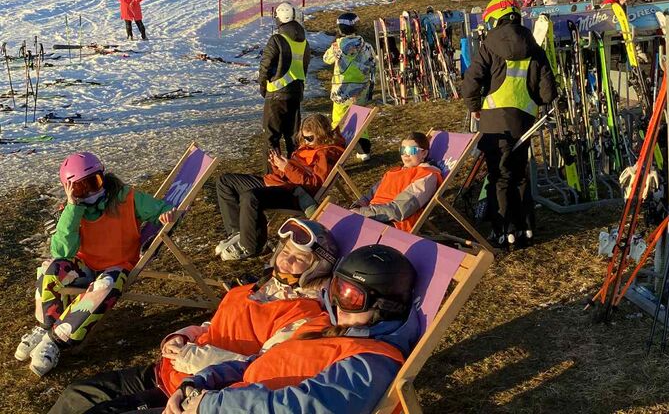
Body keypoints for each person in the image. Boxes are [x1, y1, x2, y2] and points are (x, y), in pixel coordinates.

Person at [48, 219, 339, 414]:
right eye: (286, 250)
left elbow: (261, 369)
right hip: (169, 371)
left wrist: (192, 356)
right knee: (77, 393)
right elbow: (213, 325)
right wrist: (183, 336)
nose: (287, 259)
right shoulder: (257, 288)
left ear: (316, 269)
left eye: (299, 258)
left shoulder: (306, 316)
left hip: (200, 393)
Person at [164, 244, 419, 414]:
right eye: (336, 290)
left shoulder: (372, 362)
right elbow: (261, 362)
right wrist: (199, 381)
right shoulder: (325, 326)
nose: (339, 305)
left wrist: (210, 406)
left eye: (351, 297)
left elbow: (303, 407)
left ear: (385, 307)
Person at [15, 152, 175, 377]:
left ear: (103, 175)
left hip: (117, 267)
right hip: (86, 265)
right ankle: (44, 327)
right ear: (69, 189)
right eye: (81, 188)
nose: (91, 191)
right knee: (49, 267)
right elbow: (62, 252)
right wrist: (72, 207)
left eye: (95, 182)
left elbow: (161, 209)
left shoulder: (126, 198)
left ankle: (55, 340)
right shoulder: (72, 210)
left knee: (105, 286)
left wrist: (165, 216)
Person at [462, 0, 556, 250]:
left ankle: (504, 231)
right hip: (524, 123)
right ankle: (526, 228)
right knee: (520, 175)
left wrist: (474, 107)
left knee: (499, 177)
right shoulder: (534, 47)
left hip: (494, 125)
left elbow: (471, 82)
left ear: (495, 18)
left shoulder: (489, 45)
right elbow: (548, 93)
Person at [214, 114, 344, 261]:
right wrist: (278, 166)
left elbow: (313, 185)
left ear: (321, 134)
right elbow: (295, 170)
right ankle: (238, 233)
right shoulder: (309, 146)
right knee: (225, 181)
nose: (306, 142)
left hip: (294, 193)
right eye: (304, 137)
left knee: (251, 197)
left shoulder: (326, 153)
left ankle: (252, 247)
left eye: (309, 138)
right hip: (280, 181)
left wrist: (287, 167)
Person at [350, 133, 443, 232]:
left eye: (411, 150)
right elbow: (370, 195)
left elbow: (400, 209)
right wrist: (356, 206)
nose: (406, 154)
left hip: (392, 224)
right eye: (403, 150)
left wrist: (363, 212)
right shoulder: (394, 172)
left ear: (424, 153)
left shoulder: (427, 175)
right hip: (371, 216)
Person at [259, 2, 310, 158]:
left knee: (271, 137)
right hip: (296, 93)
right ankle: (296, 169)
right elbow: (305, 66)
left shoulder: (276, 40)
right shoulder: (304, 42)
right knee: (293, 136)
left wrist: (263, 86)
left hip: (276, 94)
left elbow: (265, 66)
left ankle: (272, 175)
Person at [322, 12, 375, 161]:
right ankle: (364, 151)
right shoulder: (366, 46)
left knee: (338, 121)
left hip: (341, 90)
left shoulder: (337, 46)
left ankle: (337, 152)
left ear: (340, 28)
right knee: (360, 119)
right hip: (361, 90)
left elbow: (326, 59)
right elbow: (373, 64)